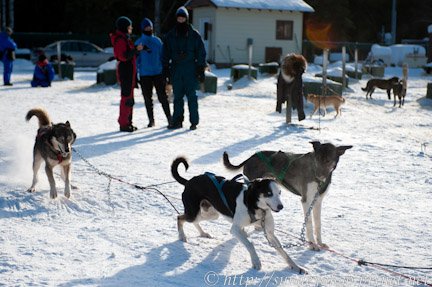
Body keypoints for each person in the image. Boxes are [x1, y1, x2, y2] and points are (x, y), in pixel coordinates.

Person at [162, 6, 206, 130]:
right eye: (179, 19)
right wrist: (165, 68)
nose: (181, 21)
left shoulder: (194, 35)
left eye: (183, 19)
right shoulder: (170, 35)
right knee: (178, 96)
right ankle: (177, 121)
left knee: (192, 96)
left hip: (190, 69)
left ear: (187, 19)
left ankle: (194, 122)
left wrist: (200, 68)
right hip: (176, 69)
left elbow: (201, 52)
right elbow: (165, 53)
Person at [135, 18, 172, 128]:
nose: (149, 29)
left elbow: (163, 56)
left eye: (150, 27)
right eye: (146, 27)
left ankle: (169, 118)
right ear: (142, 29)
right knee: (147, 98)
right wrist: (137, 71)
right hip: (145, 74)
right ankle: (151, 120)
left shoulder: (157, 41)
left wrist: (165, 69)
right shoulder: (139, 43)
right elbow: (136, 60)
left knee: (163, 97)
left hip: (158, 73)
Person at [110, 16, 143, 132]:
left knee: (130, 98)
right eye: (129, 27)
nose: (131, 29)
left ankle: (128, 122)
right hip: (125, 71)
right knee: (126, 98)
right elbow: (123, 56)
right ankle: (124, 124)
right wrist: (135, 50)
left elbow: (128, 53)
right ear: (124, 27)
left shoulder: (125, 38)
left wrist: (136, 50)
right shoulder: (120, 39)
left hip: (130, 71)